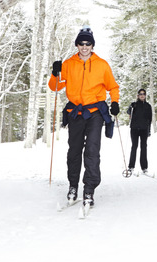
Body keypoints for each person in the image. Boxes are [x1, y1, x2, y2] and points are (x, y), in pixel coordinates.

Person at [48, 27, 120, 209]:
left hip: (95, 112)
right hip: (76, 113)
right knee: (74, 151)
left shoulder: (102, 64)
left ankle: (89, 190)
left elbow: (113, 86)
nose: (85, 47)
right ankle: (73, 186)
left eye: (88, 43)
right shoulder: (69, 64)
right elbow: (55, 87)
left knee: (92, 152)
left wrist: (115, 102)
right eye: (81, 43)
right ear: (77, 45)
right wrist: (55, 72)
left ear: (92, 45)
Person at [127, 88, 153, 175]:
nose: (142, 95)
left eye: (143, 94)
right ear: (138, 96)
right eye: (140, 94)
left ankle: (144, 167)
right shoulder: (134, 105)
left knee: (144, 147)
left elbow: (150, 120)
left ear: (145, 96)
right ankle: (131, 166)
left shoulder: (148, 106)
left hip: (144, 129)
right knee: (134, 146)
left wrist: (149, 131)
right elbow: (128, 112)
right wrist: (131, 107)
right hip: (134, 129)